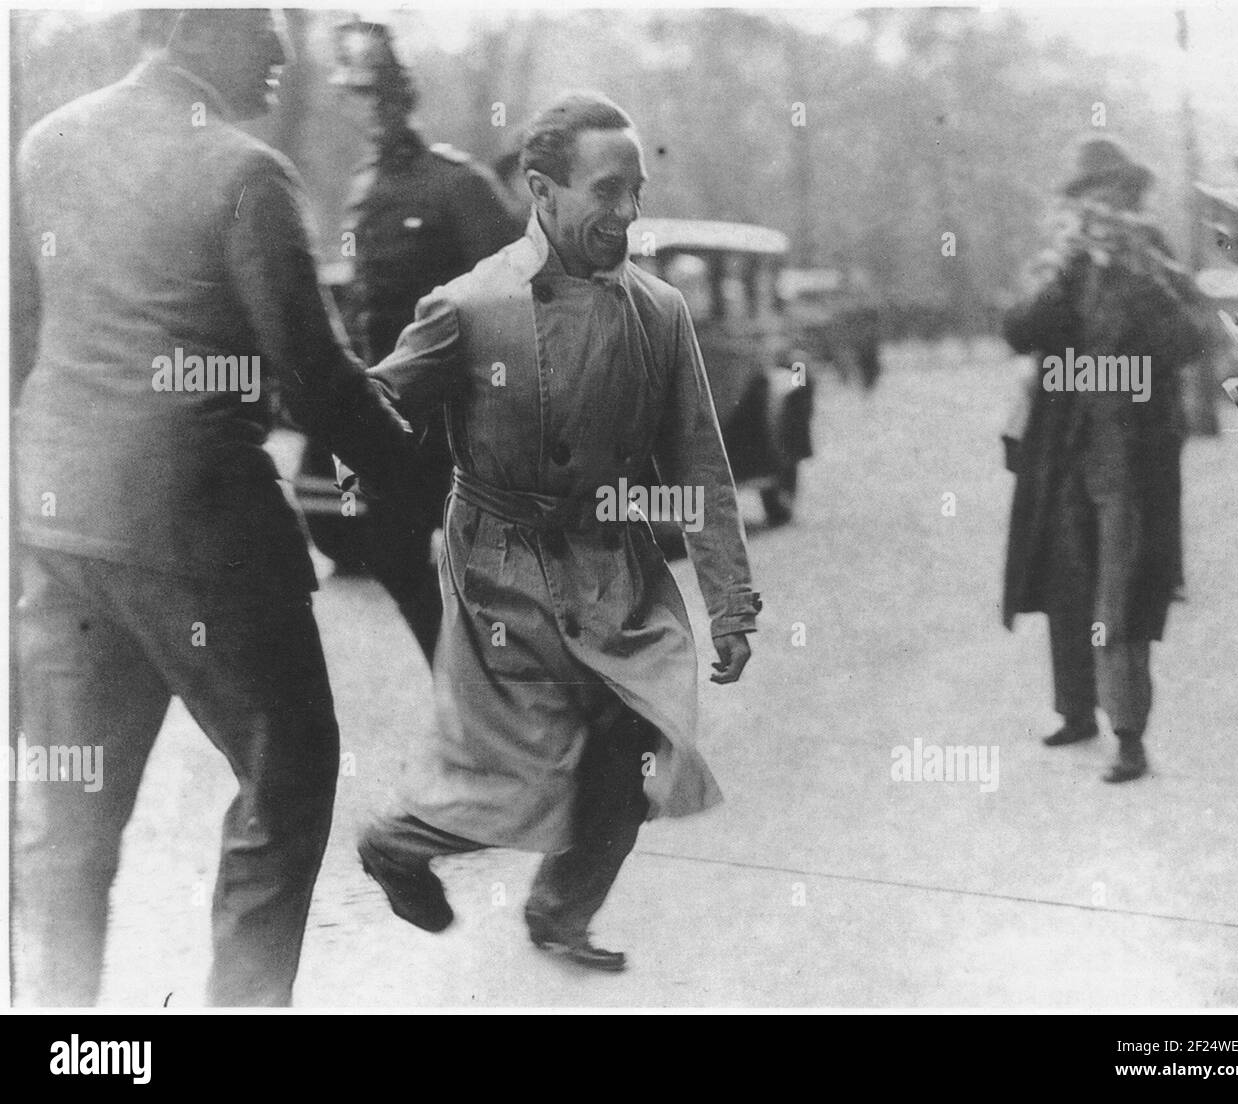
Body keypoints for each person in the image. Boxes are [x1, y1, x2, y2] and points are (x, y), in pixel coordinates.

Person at [11, 9, 422, 1006]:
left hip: (60, 526)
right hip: (200, 530)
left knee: (66, 820)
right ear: (198, 25)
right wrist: (414, 467)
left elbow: (16, 339)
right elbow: (314, 375)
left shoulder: (46, 142)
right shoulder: (245, 173)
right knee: (289, 772)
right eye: (265, 29)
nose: (285, 59)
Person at [356, 91, 760, 971]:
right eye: (606, 191)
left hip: (615, 561)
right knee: (531, 761)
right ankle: (402, 842)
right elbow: (379, 399)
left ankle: (561, 911)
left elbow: (699, 462)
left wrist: (731, 599)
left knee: (637, 736)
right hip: (501, 562)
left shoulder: (659, 311)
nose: (626, 212)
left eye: (636, 191)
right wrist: (362, 462)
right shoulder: (468, 305)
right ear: (542, 190)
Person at [300, 20, 521, 663]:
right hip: (394, 408)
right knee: (392, 549)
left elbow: (514, 291)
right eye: (356, 96)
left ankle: (503, 699)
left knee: (488, 564)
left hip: (460, 409)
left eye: (379, 95)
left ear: (404, 96)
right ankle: (459, 682)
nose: (368, 110)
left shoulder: (457, 184)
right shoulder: (366, 189)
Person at [1001, 138, 1203, 784]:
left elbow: (1189, 343)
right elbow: (1018, 331)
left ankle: (1128, 735)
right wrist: (1063, 271)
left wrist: (1142, 282)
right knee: (1065, 586)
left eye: (1113, 195)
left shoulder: (1153, 264)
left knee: (1118, 595)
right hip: (1063, 456)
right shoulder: (1059, 265)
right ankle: (1075, 711)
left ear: (1130, 201)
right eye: (1090, 198)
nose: (1101, 209)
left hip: (1129, 460)